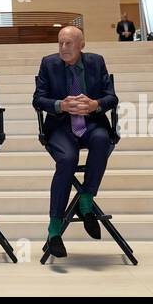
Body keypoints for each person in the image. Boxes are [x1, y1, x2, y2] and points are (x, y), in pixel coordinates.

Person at [33, 25, 117, 257]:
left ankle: (86, 200)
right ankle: (54, 230)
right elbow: (38, 100)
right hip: (61, 127)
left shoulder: (96, 62)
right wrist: (60, 105)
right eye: (60, 43)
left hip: (91, 123)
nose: (63, 47)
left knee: (102, 140)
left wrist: (95, 104)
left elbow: (112, 97)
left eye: (68, 43)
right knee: (67, 159)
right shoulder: (48, 64)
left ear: (81, 44)